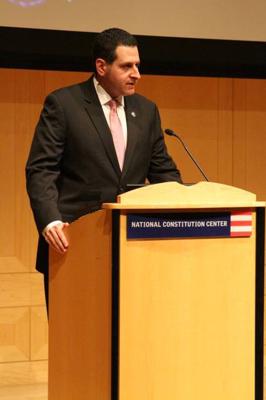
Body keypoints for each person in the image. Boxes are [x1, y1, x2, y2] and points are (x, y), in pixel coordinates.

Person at [26, 27, 182, 303]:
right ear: (101, 66)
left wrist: (186, 206)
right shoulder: (64, 104)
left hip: (135, 248)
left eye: (137, 65)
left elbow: (163, 173)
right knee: (75, 340)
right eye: (127, 66)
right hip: (73, 247)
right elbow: (42, 169)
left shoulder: (146, 111)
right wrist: (50, 219)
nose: (137, 74)